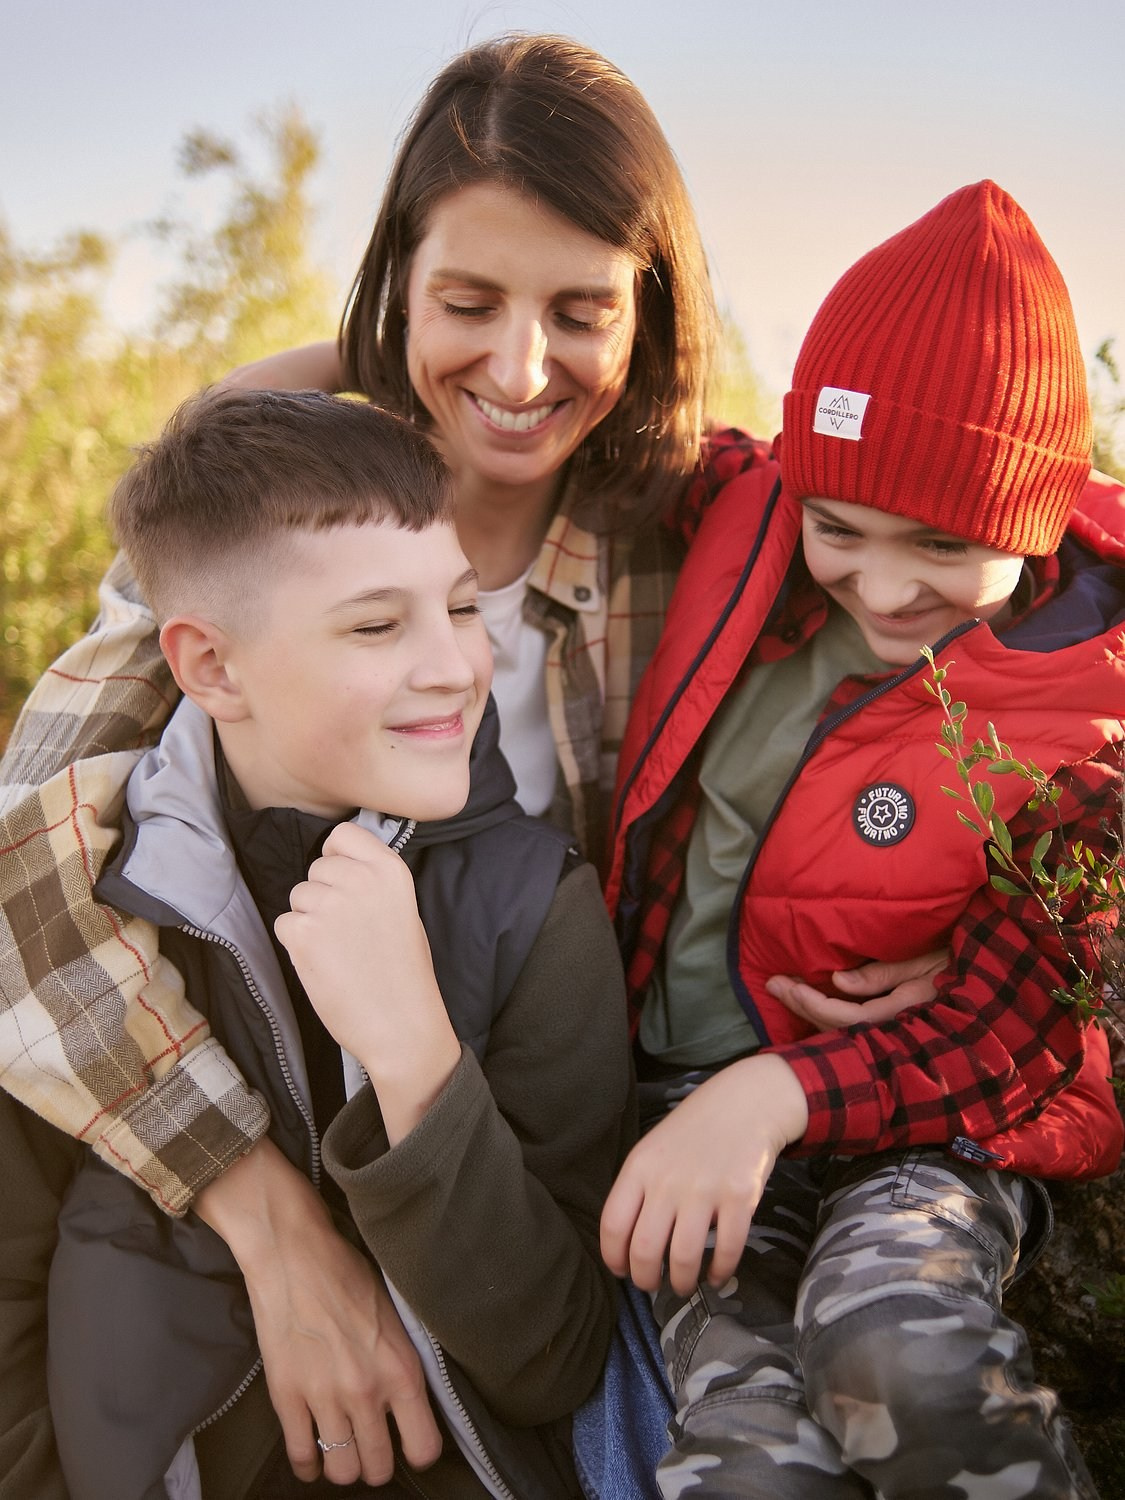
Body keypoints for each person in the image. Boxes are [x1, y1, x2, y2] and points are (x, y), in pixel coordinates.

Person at [0, 32, 934, 1490]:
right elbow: (29, 855)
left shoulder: (697, 540)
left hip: (555, 1161)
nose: (516, 366)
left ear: (650, 311)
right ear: (397, 288)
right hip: (277, 1119)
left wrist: (935, 913)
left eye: (579, 310)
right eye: (465, 301)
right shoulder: (282, 510)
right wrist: (265, 1218)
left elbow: (979, 575)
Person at [11, 384, 635, 1500]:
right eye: (375, 626)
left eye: (458, 607)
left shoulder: (533, 907)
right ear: (210, 667)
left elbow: (559, 1355)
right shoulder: (76, 900)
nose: (451, 665)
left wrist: (416, 1059)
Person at [599, 180, 1125, 1499]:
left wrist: (769, 1094)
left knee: (894, 1353)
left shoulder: (1093, 720)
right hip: (687, 1111)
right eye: (840, 529)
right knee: (742, 1464)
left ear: (1035, 518)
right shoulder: (744, 515)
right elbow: (573, 424)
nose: (884, 587)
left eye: (944, 545)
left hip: (918, 1128)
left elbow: (1010, 1034)